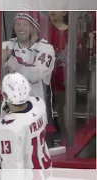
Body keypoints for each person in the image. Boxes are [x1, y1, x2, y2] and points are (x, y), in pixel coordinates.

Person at [1, 11, 56, 147]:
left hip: (38, 121)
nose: (20, 28)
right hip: (10, 117)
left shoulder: (46, 49)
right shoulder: (7, 45)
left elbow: (35, 74)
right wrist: (1, 62)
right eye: (17, 24)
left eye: (25, 24)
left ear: (34, 27)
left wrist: (9, 61)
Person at [0, 72, 52, 169]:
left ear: (5, 94)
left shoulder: (8, 129)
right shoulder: (39, 103)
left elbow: (13, 171)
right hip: (45, 171)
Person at [47, 11, 69, 145]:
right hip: (47, 79)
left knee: (62, 110)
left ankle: (66, 139)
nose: (52, 10)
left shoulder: (72, 33)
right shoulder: (45, 29)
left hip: (63, 79)